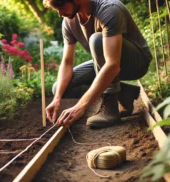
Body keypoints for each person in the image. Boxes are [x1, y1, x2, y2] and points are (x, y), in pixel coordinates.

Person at [43, 0, 152, 128]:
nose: (60, 14)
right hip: (108, 62)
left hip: (136, 63)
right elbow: (67, 63)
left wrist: (81, 106)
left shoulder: (108, 9)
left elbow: (112, 64)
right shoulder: (69, 21)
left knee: (97, 39)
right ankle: (124, 92)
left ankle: (110, 110)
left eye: (61, 6)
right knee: (59, 89)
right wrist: (56, 99)